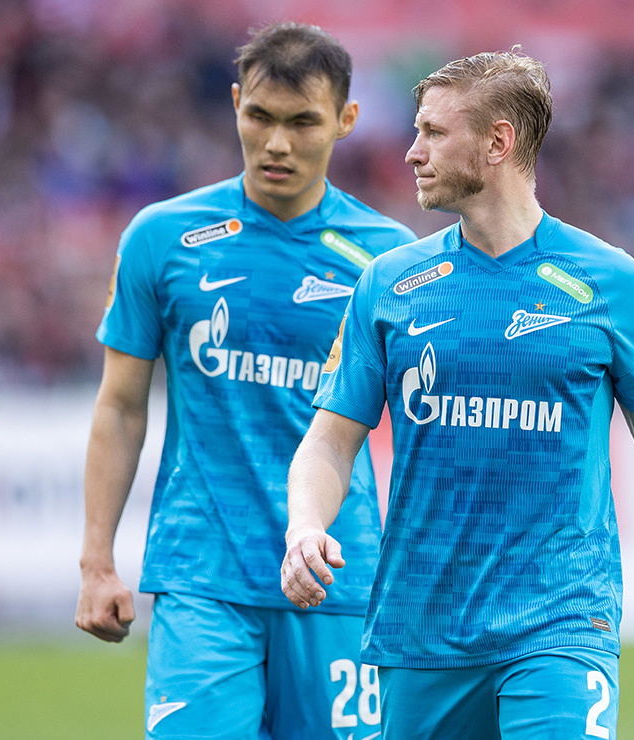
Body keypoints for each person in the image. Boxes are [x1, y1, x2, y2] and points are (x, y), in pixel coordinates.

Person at [282, 50, 634, 738]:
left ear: (498, 142)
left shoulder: (612, 284)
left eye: (434, 132)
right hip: (421, 631)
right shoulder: (387, 285)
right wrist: (305, 525)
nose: (411, 152)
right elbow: (330, 440)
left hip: (561, 626)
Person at [75, 22, 417, 740]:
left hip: (337, 573)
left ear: (346, 120)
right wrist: (97, 561)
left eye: (303, 122)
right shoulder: (161, 239)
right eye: (260, 116)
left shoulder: (390, 261)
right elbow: (121, 406)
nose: (277, 143)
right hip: (203, 574)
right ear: (235, 104)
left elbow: (426, 432)